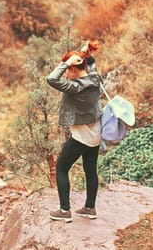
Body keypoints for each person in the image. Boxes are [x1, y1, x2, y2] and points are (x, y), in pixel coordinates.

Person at [47, 40, 102, 222]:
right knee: (90, 170)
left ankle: (64, 211)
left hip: (80, 137)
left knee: (62, 168)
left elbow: (51, 79)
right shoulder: (94, 78)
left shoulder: (74, 87)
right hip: (95, 135)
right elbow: (91, 63)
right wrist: (86, 54)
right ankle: (89, 208)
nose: (67, 74)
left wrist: (65, 64)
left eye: (69, 70)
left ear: (72, 69)